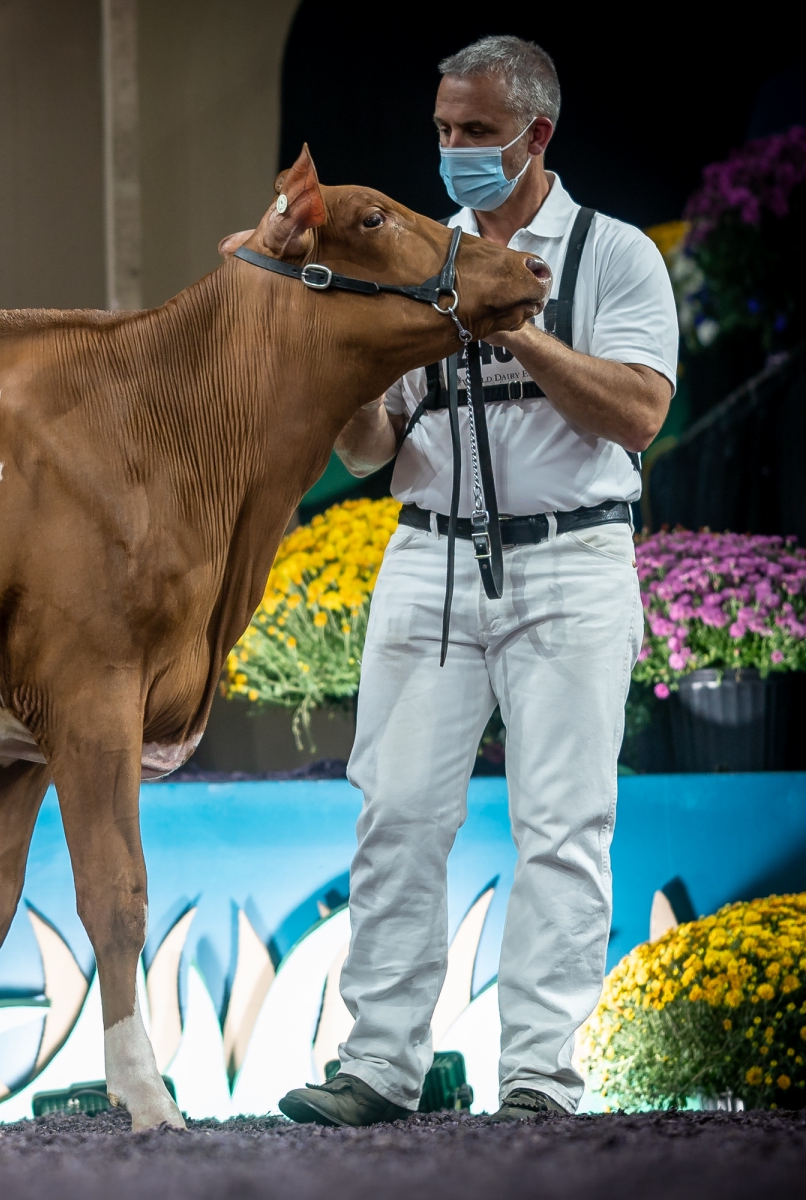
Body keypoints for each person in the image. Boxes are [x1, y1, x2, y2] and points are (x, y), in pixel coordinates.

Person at [278, 35, 677, 1126]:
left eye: (476, 132)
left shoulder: (613, 255)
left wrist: (513, 330)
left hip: (574, 558)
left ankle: (540, 1078)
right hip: (431, 555)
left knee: (563, 828)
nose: (453, 148)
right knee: (396, 815)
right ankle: (378, 1066)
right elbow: (373, 448)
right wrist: (346, 377)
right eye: (444, 129)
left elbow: (639, 412)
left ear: (535, 135)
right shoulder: (420, 252)